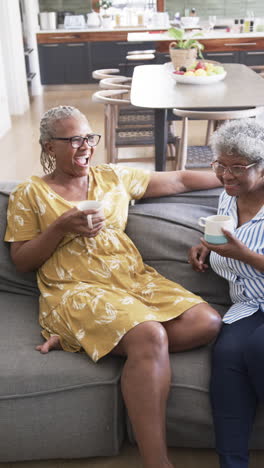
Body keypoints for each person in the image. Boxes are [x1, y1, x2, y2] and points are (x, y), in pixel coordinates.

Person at [5, 105, 222, 468]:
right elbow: (22, 260)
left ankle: (88, 339)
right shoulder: (30, 193)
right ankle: (158, 462)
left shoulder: (113, 177)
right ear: (48, 148)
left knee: (208, 322)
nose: (85, 146)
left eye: (88, 137)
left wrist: (231, 174)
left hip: (132, 280)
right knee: (151, 335)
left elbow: (181, 180)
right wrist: (61, 228)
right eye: (73, 139)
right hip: (74, 287)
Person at [189, 119, 264, 468]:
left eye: (238, 168)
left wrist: (244, 256)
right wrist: (208, 247)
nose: (226, 175)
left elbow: (244, 250)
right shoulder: (227, 196)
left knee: (256, 347)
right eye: (220, 165)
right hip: (249, 306)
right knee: (227, 356)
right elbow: (227, 237)